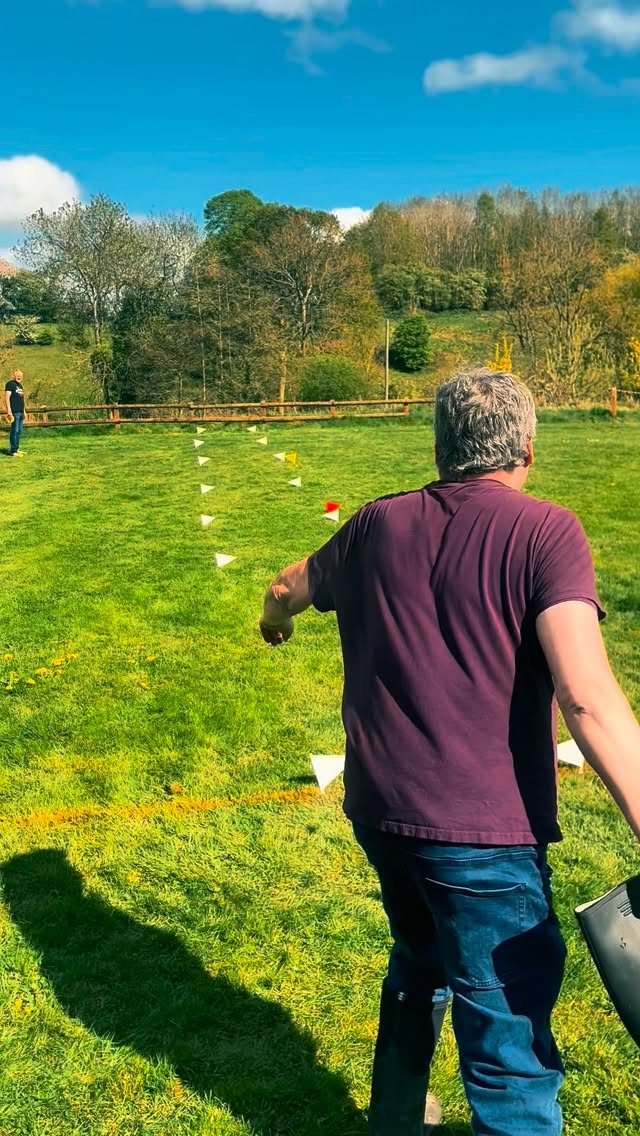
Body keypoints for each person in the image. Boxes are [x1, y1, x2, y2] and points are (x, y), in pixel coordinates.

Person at [259, 368, 640, 1136]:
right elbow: (589, 697)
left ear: (439, 449)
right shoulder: (546, 530)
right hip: (483, 837)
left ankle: (395, 1118)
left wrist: (275, 622)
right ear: (528, 450)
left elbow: (286, 583)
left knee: (420, 964)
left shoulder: (374, 523)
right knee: (508, 1046)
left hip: (381, 815)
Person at [5, 369, 25, 456]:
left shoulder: (20, 386)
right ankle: (12, 451)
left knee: (19, 431)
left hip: (20, 412)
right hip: (14, 412)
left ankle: (16, 449)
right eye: (17, 375)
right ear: (14, 376)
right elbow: (7, 398)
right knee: (15, 430)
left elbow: (22, 399)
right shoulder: (10, 384)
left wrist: (24, 411)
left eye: (20, 375)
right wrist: (9, 411)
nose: (19, 376)